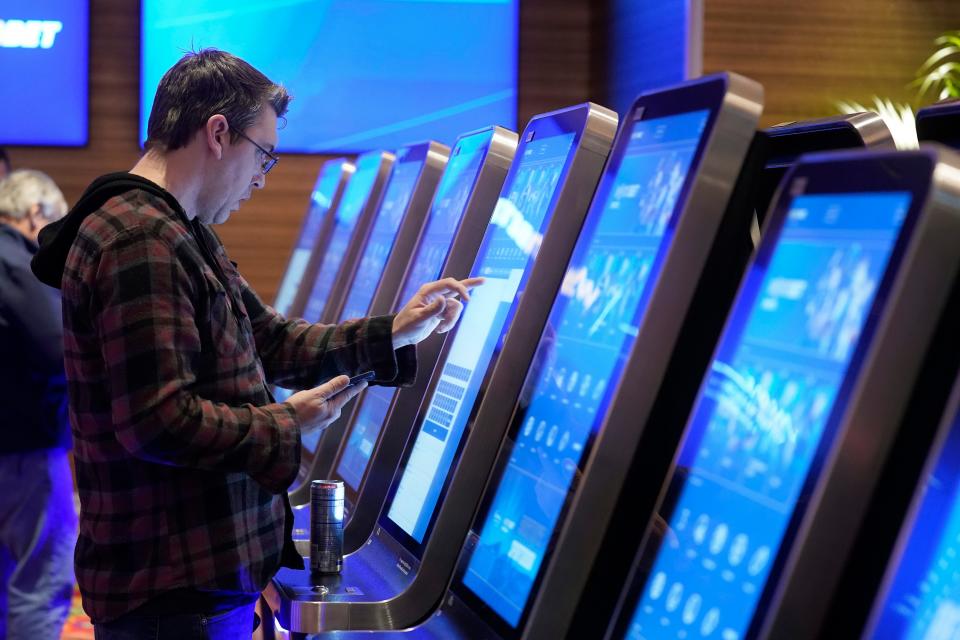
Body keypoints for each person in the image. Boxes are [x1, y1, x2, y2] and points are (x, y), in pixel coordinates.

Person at [30, 48, 481, 639]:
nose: (262, 179)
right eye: (263, 156)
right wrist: (286, 422)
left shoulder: (180, 229)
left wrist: (396, 330)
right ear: (218, 133)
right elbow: (157, 421)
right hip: (173, 594)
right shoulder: (140, 238)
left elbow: (271, 340)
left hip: (193, 584)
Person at [0, 169, 77, 639]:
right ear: (35, 215)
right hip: (25, 452)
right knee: (39, 585)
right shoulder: (15, 259)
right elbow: (60, 349)